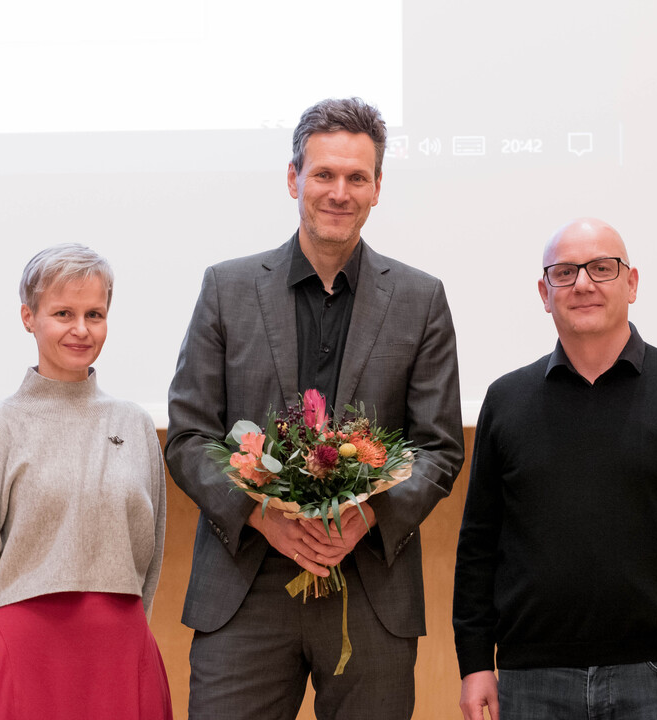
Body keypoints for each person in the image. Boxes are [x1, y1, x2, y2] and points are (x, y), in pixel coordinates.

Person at [166, 97, 464, 720]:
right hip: (247, 582)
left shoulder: (421, 299)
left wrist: (366, 518)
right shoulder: (226, 289)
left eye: (357, 177)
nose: (339, 191)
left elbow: (438, 448)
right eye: (324, 174)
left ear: (378, 187)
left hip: (369, 580)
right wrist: (260, 515)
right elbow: (190, 436)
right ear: (294, 176)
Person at [453, 218, 657, 720]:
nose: (583, 284)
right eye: (565, 272)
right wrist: (474, 661)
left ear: (632, 282)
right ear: (543, 292)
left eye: (601, 268)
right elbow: (479, 544)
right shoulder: (506, 400)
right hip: (531, 680)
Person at [0, 243, 171, 719]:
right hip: (25, 653)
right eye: (63, 313)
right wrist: (7, 641)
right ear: (28, 317)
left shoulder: (134, 425)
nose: (81, 329)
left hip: (121, 650)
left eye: (95, 314)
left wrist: (124, 630)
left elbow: (149, 553)